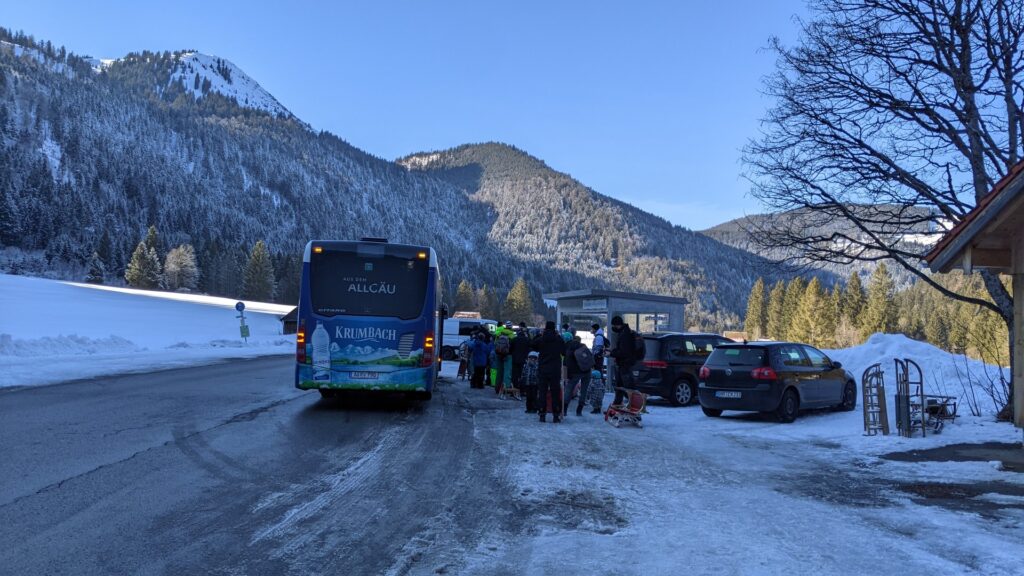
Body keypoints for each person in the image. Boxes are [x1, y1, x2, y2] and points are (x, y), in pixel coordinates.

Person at [532, 320, 566, 423]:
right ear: (554, 328)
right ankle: (556, 415)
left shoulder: (541, 339)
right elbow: (564, 352)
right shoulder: (558, 340)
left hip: (543, 369)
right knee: (555, 392)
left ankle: (542, 414)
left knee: (542, 392)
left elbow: (533, 345)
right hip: (555, 370)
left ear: (545, 328)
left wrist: (540, 336)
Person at [606, 315, 639, 406]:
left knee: (627, 387)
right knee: (619, 386)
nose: (613, 328)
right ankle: (617, 404)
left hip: (625, 364)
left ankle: (634, 406)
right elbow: (621, 349)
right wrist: (612, 351)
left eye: (614, 326)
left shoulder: (625, 335)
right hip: (622, 364)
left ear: (618, 325)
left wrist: (611, 353)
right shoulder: (624, 333)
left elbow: (624, 352)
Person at [563, 335, 594, 417]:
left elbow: (566, 363)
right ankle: (579, 411)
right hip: (587, 371)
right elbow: (590, 357)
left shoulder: (569, 349)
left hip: (575, 373)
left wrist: (567, 376)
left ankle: (565, 409)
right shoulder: (583, 346)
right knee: (584, 390)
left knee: (569, 389)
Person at [492, 321, 516, 395]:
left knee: (499, 371)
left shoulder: (499, 332)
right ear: (511, 327)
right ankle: (505, 389)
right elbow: (513, 346)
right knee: (507, 372)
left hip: (498, 354)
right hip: (508, 355)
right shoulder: (512, 335)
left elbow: (495, 343)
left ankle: (497, 388)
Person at [510, 321, 531, 394]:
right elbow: (529, 348)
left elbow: (510, 349)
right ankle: (522, 390)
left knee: (515, 375)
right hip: (523, 360)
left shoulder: (514, 339)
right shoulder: (527, 340)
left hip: (515, 359)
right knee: (522, 375)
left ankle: (514, 389)